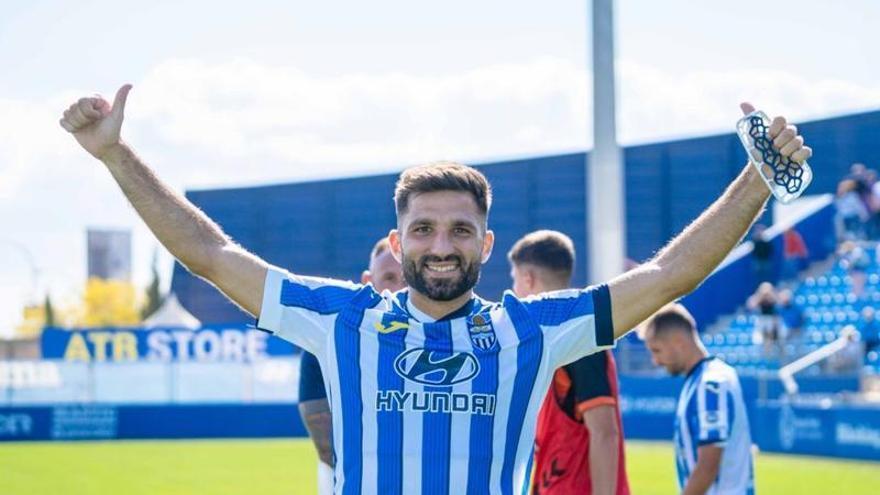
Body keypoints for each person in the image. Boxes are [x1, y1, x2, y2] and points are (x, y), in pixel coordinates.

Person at [59, 86, 811, 494]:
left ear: (487, 244)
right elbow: (211, 252)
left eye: (458, 230)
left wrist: (757, 182)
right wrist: (115, 154)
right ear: (396, 243)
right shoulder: (341, 320)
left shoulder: (533, 329)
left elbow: (667, 275)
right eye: (423, 230)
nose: (440, 245)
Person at [507, 230, 629, 495]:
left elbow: (605, 431)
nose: (514, 291)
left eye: (514, 280)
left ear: (528, 279)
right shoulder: (551, 340)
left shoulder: (580, 338)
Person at [299, 236, 405, 494]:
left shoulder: (443, 338)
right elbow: (323, 437)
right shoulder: (331, 337)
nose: (401, 288)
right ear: (368, 281)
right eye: (389, 278)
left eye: (408, 278)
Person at [641, 304, 754, 495]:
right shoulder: (702, 380)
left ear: (678, 341)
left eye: (657, 350)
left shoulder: (710, 384)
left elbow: (708, 465)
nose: (655, 361)